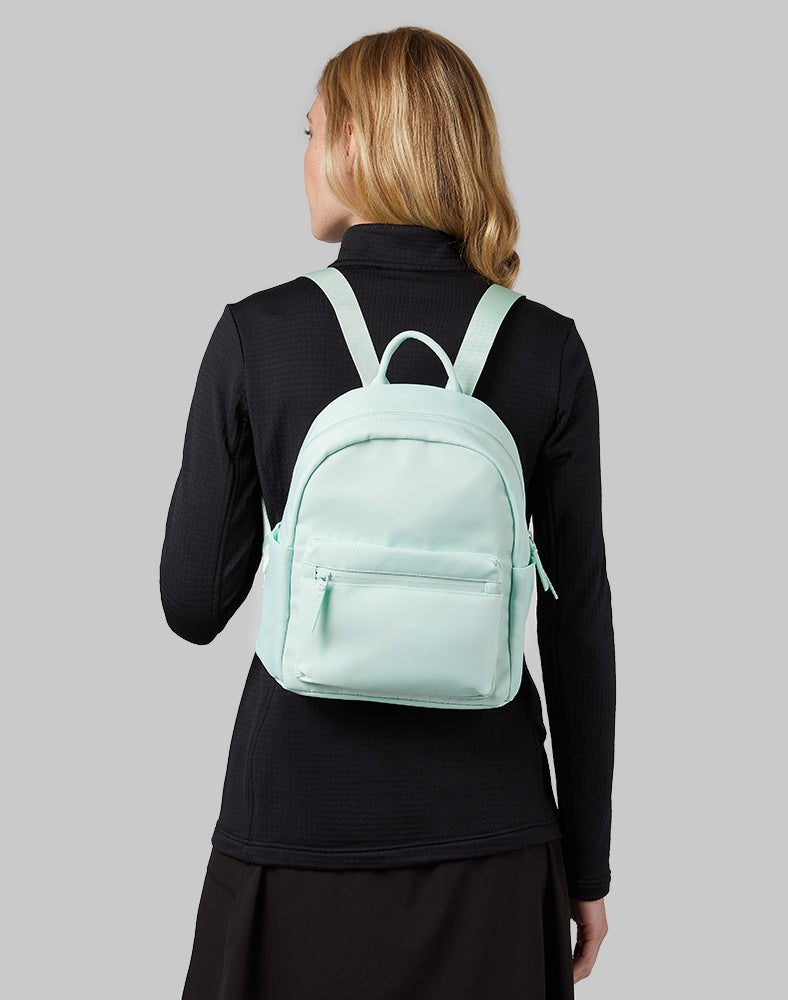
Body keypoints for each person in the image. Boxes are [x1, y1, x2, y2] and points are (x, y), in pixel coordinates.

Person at [161, 25, 615, 1000]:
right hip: (495, 844)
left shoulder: (257, 334)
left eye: (311, 130)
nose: (303, 156)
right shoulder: (548, 349)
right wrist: (588, 867)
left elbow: (191, 605)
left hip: (291, 837)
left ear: (357, 141)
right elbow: (577, 622)